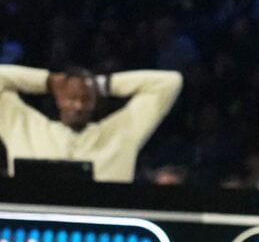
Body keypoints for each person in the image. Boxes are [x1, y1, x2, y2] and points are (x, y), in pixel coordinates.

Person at [0, 64, 183, 183]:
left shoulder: (121, 133)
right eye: (71, 97)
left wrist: (102, 84)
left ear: (96, 101)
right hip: (29, 233)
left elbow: (170, 82)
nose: (78, 106)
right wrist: (48, 81)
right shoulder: (23, 127)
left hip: (102, 235)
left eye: (86, 99)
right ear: (58, 99)